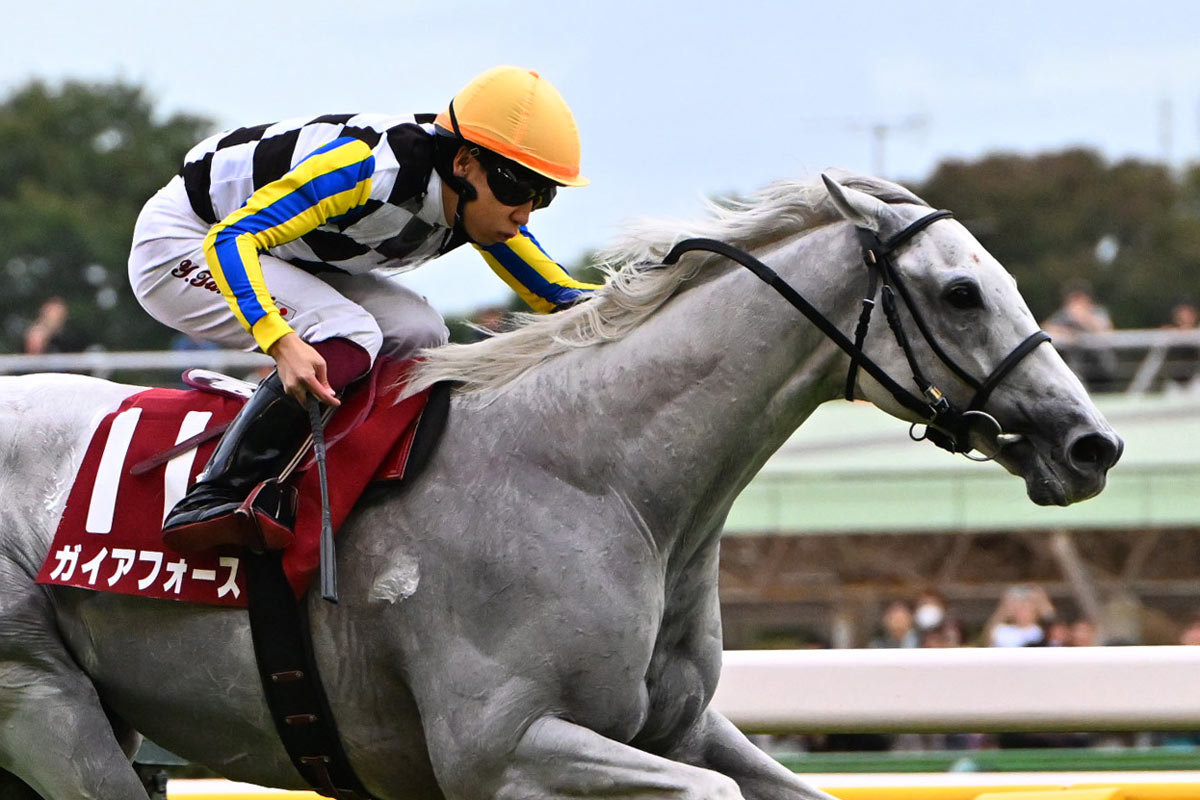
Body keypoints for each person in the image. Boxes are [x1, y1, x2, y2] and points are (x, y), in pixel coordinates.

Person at [127, 66, 599, 551]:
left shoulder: (479, 206)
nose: (524, 212)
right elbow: (231, 240)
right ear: (463, 162)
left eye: (542, 195)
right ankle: (217, 494)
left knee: (422, 332)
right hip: (185, 241)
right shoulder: (369, 168)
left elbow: (564, 299)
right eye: (516, 188)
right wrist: (280, 342)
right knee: (349, 330)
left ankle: (351, 474)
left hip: (281, 252)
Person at [1041, 280, 1116, 392]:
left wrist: (1082, 318)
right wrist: (1066, 333)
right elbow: (1046, 329)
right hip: (1078, 367)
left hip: (1101, 367)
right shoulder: (1065, 315)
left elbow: (1105, 331)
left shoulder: (1098, 312)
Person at [985, 584, 1055, 647]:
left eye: (1027, 608)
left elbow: (1053, 626)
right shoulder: (1002, 630)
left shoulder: (1041, 631)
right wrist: (1005, 606)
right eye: (1019, 608)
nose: (1023, 612)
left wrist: (1041, 599)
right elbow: (988, 639)